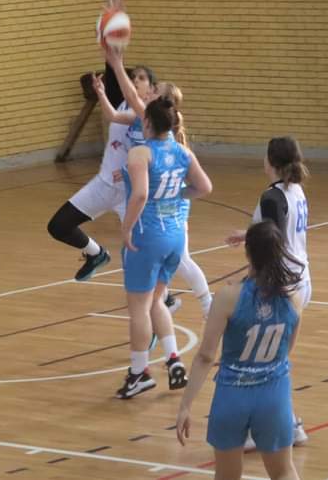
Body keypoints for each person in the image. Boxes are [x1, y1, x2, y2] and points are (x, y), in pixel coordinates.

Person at [176, 220, 304, 480]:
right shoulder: (293, 297)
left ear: (248, 253)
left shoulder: (228, 296)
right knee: (283, 471)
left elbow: (206, 356)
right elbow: (286, 349)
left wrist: (185, 406)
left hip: (232, 395)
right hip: (274, 394)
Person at [117, 95, 213, 399]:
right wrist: (176, 195)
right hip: (174, 236)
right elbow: (204, 187)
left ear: (146, 121)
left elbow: (141, 194)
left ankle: (139, 374)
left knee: (138, 309)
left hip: (147, 236)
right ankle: (173, 360)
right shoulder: (183, 151)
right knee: (157, 300)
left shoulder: (141, 152)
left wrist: (126, 227)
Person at [105, 46, 213, 316]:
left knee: (181, 258)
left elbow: (131, 95)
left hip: (169, 204)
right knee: (171, 258)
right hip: (170, 197)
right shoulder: (167, 133)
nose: (150, 91)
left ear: (162, 101)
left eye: (155, 90)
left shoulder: (156, 123)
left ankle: (205, 303)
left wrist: (117, 64)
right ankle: (165, 302)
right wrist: (128, 172)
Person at [226, 136, 311, 448]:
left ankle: (281, 425)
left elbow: (272, 246)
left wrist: (252, 284)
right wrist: (248, 233)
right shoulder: (295, 190)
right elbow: (276, 231)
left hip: (280, 282)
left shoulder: (271, 197)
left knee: (261, 361)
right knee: (273, 359)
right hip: (301, 278)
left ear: (271, 161)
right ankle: (284, 423)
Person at [46, 53, 158, 282]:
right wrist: (101, 89)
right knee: (58, 226)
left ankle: (167, 296)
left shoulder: (151, 115)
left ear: (152, 88)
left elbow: (155, 156)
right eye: (133, 77)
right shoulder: (124, 106)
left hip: (130, 192)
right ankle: (96, 254)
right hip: (104, 184)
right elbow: (113, 113)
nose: (135, 80)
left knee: (143, 251)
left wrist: (127, 171)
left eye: (141, 78)